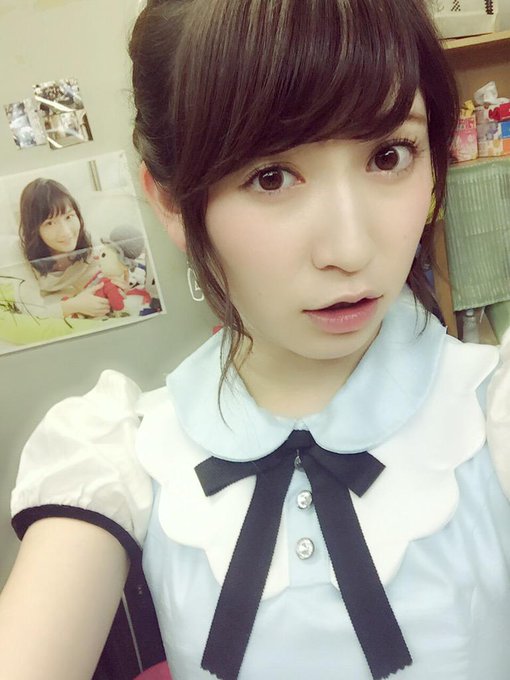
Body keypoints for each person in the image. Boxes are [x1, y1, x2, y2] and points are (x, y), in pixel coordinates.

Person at [1, 1, 509, 679]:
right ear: (172, 202)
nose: (350, 249)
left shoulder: (489, 414)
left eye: (389, 155)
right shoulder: (122, 453)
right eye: (271, 176)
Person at [18, 178, 110, 318]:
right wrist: (74, 305)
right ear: (34, 229)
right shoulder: (20, 254)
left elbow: (101, 283)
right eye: (50, 223)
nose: (66, 232)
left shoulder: (89, 243)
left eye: (68, 217)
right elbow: (29, 313)